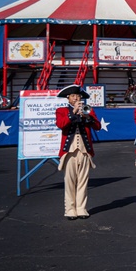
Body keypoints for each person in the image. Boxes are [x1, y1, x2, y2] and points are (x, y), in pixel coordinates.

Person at [55, 85, 101, 220]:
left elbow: (97, 126)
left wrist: (87, 117)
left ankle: (81, 208)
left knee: (83, 181)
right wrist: (73, 113)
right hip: (69, 150)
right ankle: (70, 209)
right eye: (74, 96)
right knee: (69, 181)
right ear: (68, 98)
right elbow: (61, 124)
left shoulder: (88, 110)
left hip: (84, 150)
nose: (77, 98)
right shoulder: (61, 110)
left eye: (79, 96)